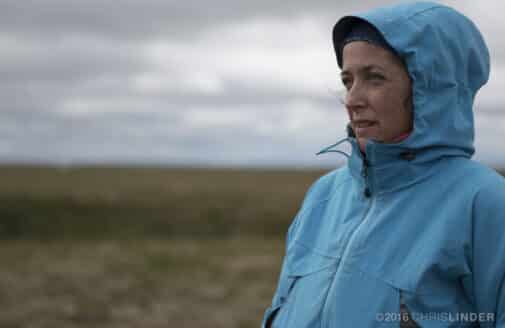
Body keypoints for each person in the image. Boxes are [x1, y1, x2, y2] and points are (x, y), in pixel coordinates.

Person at [262, 1, 505, 327]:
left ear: (431, 88)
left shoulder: (486, 203)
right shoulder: (324, 195)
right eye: (348, 80)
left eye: (374, 78)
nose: (352, 99)